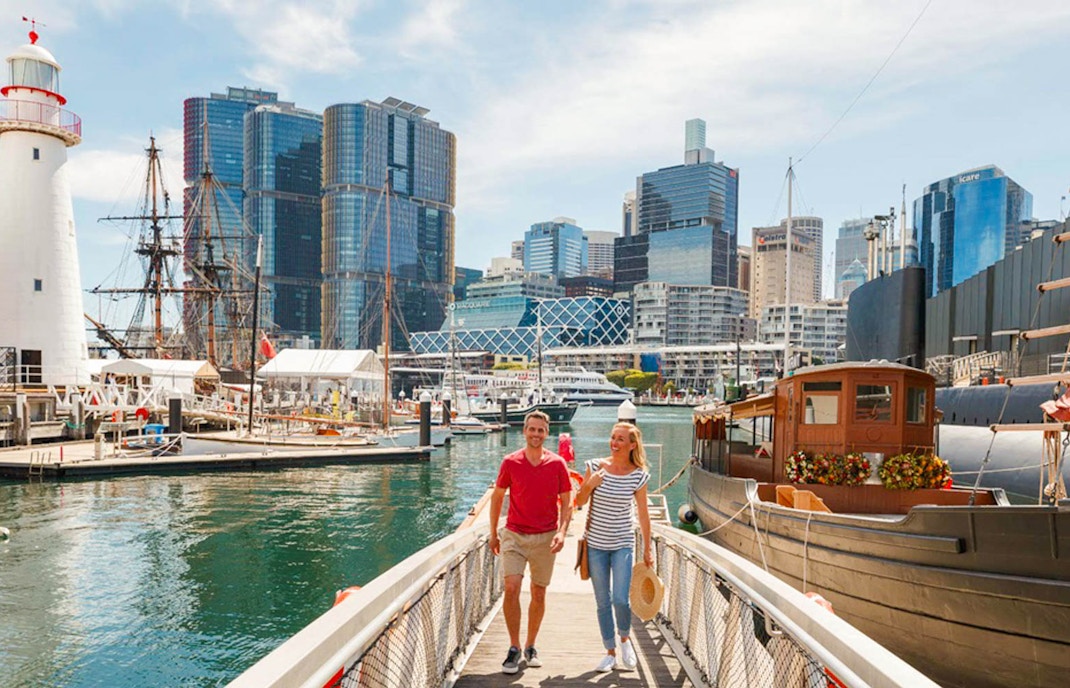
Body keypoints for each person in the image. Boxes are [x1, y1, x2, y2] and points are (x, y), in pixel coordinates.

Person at [488, 410, 572, 674]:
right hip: (513, 534)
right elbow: (498, 497)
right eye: (532, 429)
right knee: (511, 587)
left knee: (538, 592)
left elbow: (568, 502)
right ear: (524, 431)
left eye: (541, 430)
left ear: (547, 433)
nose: (536, 434)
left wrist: (562, 531)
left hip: (545, 537)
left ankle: (530, 645)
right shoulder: (510, 462)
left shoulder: (557, 464)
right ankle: (513, 648)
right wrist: (493, 532)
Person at [574, 422, 652, 672]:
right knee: (602, 601)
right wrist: (589, 484)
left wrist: (647, 549)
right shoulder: (594, 466)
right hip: (595, 544)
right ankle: (609, 652)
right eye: (612, 438)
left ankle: (625, 639)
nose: (614, 443)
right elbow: (578, 502)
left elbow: (643, 514)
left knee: (620, 599)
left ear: (632, 445)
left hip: (622, 543)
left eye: (620, 439)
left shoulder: (638, 475)